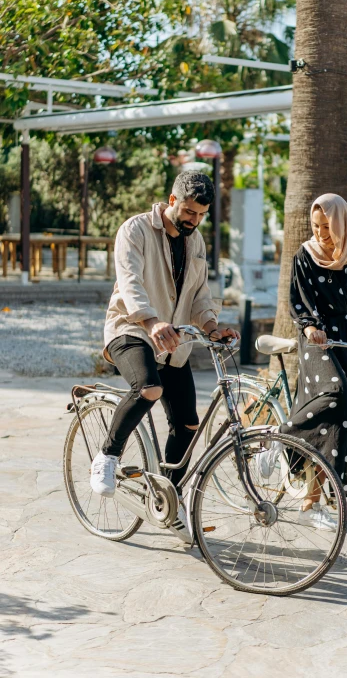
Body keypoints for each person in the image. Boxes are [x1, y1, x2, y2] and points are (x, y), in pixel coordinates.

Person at [89, 171, 240, 540]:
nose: (193, 220)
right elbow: (130, 282)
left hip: (175, 343)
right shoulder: (135, 230)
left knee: (188, 424)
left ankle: (168, 502)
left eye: (200, 215)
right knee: (149, 388)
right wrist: (152, 321)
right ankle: (107, 456)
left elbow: (201, 293)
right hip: (132, 329)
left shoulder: (196, 240)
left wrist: (211, 327)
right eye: (189, 212)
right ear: (172, 201)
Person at [260, 193, 347, 530]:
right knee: (336, 393)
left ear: (342, 223)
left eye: (327, 227)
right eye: (316, 226)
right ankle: (281, 437)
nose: (320, 234)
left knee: (342, 419)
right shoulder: (305, 255)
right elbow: (299, 301)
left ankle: (312, 501)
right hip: (316, 340)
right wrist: (311, 327)